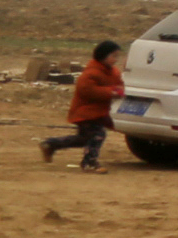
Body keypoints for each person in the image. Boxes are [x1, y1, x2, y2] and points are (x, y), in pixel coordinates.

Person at [40, 40, 124, 169]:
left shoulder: (114, 72)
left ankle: (51, 144)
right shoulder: (91, 73)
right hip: (86, 112)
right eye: (113, 56)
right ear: (103, 56)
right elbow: (88, 91)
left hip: (99, 112)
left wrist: (120, 90)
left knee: (84, 139)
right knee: (98, 135)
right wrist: (111, 92)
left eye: (117, 56)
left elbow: (119, 84)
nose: (116, 59)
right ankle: (90, 162)